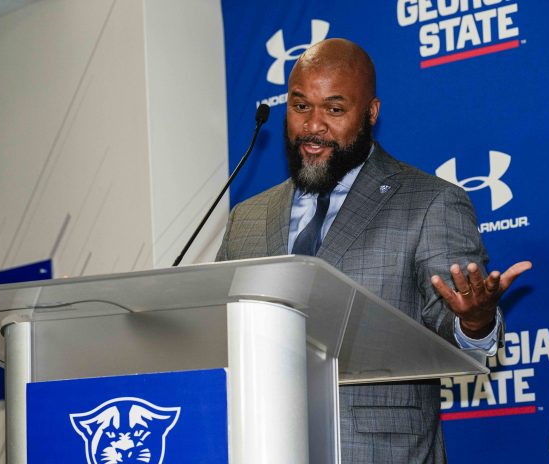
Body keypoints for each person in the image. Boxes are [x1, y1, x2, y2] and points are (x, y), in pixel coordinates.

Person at [216, 38, 531, 464]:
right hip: (259, 444)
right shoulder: (247, 217)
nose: (313, 126)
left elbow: (457, 330)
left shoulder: (429, 202)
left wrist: (473, 320)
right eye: (300, 106)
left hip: (379, 450)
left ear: (370, 112)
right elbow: (220, 332)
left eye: (334, 109)